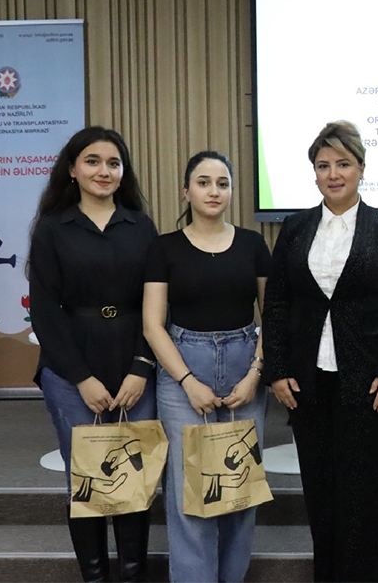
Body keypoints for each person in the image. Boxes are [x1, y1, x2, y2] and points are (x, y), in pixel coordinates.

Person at [262, 121, 378, 582]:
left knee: (363, 497)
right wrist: (276, 369)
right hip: (307, 383)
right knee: (320, 494)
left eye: (343, 164)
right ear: (313, 173)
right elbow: (276, 303)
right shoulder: (294, 229)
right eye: (323, 165)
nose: (334, 174)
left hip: (369, 384)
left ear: (361, 169)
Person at [29, 126, 158, 582]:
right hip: (70, 371)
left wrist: (143, 367)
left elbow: (157, 304)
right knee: (85, 480)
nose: (104, 170)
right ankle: (96, 576)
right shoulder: (52, 229)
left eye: (114, 163)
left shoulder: (141, 226)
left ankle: (132, 574)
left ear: (123, 174)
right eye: (93, 161)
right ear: (72, 168)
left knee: (132, 479)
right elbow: (45, 312)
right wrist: (80, 377)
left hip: (133, 366)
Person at [142, 150, 271, 582]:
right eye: (203, 182)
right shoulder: (163, 248)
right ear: (186, 190)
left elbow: (273, 317)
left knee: (239, 488)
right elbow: (152, 325)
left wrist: (256, 373)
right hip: (183, 369)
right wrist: (187, 381)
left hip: (244, 367)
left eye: (222, 183)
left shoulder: (254, 244)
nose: (213, 191)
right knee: (189, 492)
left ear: (231, 190)